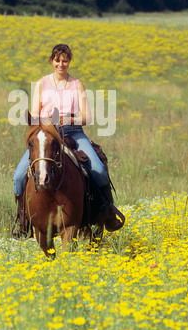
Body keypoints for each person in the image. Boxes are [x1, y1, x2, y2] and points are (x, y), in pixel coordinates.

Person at [13, 43, 124, 232]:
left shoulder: (76, 84)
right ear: (52, 61)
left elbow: (87, 117)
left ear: (69, 62)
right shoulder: (42, 84)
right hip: (47, 135)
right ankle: (23, 218)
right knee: (18, 177)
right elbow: (35, 116)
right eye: (57, 60)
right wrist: (48, 123)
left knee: (97, 169)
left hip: (74, 133)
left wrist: (69, 119)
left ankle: (107, 212)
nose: (61, 64)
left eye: (65, 61)